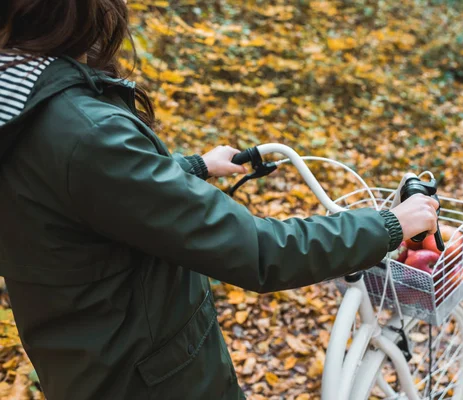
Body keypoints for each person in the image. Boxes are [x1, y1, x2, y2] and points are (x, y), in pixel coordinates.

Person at [0, 1, 440, 399]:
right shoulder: (85, 132)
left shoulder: (20, 107)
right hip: (152, 382)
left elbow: (86, 190)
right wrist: (389, 225)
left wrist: (194, 167)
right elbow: (256, 249)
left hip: (86, 363)